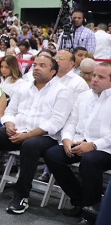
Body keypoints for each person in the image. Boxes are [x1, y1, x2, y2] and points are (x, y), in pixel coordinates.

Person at [0, 54, 72, 216]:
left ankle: (21, 196)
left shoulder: (62, 91)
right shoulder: (24, 87)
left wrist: (28, 135)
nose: (36, 67)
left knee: (30, 146)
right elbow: (10, 111)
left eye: (42, 65)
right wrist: (9, 124)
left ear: (53, 71)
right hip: (16, 130)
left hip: (43, 137)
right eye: (35, 64)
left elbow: (55, 123)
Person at [44, 62, 111, 224]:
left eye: (100, 77)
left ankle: (91, 212)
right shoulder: (84, 96)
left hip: (106, 148)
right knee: (52, 154)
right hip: (80, 141)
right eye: (94, 75)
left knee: (89, 161)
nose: (94, 79)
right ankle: (80, 200)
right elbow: (71, 122)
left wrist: (94, 145)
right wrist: (66, 139)